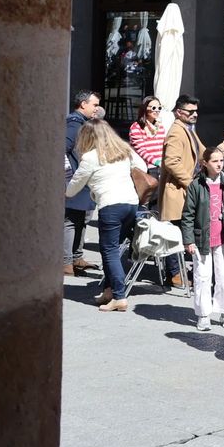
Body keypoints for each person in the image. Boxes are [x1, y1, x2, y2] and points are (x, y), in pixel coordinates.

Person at [65, 119, 140, 312]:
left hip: (110, 205)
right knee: (115, 250)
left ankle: (119, 297)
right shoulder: (124, 151)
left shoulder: (90, 157)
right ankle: (109, 291)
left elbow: (72, 189)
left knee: (109, 251)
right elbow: (144, 168)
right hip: (131, 203)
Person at [179, 146, 224, 332]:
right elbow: (188, 215)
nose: (219, 164)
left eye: (221, 160)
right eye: (215, 161)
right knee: (202, 277)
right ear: (205, 163)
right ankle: (203, 314)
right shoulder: (196, 185)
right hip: (202, 238)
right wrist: (188, 240)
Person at [158, 95, 205, 288]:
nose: (194, 114)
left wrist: (220, 156)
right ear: (179, 112)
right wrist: (190, 182)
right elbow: (171, 162)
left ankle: (179, 272)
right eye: (190, 111)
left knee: (181, 231)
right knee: (175, 233)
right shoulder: (177, 132)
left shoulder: (188, 129)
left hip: (183, 189)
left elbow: (202, 152)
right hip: (176, 191)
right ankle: (175, 273)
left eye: (196, 111)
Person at [65, 90, 105, 280]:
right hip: (75, 179)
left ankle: (76, 257)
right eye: (94, 104)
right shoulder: (74, 123)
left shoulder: (82, 123)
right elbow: (63, 148)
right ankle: (66, 262)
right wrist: (69, 174)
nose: (97, 108)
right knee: (71, 221)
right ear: (83, 104)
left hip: (82, 180)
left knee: (81, 220)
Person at [127, 96, 167, 169]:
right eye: (154, 108)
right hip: (147, 168)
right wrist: (157, 162)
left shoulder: (160, 126)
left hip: (162, 166)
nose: (157, 110)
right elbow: (140, 151)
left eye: (159, 108)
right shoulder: (136, 127)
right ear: (145, 108)